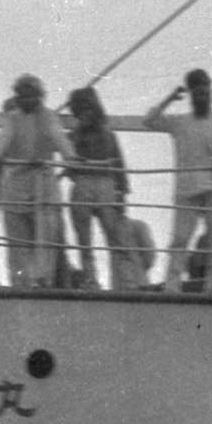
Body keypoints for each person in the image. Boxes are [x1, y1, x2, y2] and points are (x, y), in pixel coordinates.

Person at [139, 66, 212, 290]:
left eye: (206, 91)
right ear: (192, 95)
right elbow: (149, 120)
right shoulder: (180, 123)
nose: (203, 96)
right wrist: (169, 99)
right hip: (187, 189)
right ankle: (172, 285)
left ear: (211, 91)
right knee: (180, 239)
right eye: (198, 92)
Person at [0, 73, 68, 287]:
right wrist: (1, 155)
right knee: (17, 244)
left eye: (31, 95)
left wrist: (70, 156)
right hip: (15, 187)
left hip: (42, 188)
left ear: (39, 96)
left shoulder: (49, 117)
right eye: (22, 96)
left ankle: (45, 282)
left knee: (46, 239)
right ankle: (20, 285)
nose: (26, 100)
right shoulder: (11, 118)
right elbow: (0, 146)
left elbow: (60, 140)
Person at [60, 85, 129, 289]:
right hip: (83, 184)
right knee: (84, 239)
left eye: (88, 109)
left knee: (114, 237)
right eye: (80, 111)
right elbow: (70, 168)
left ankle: (125, 282)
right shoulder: (73, 136)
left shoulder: (108, 135)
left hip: (105, 184)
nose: (84, 114)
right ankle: (91, 281)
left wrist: (121, 194)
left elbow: (119, 165)